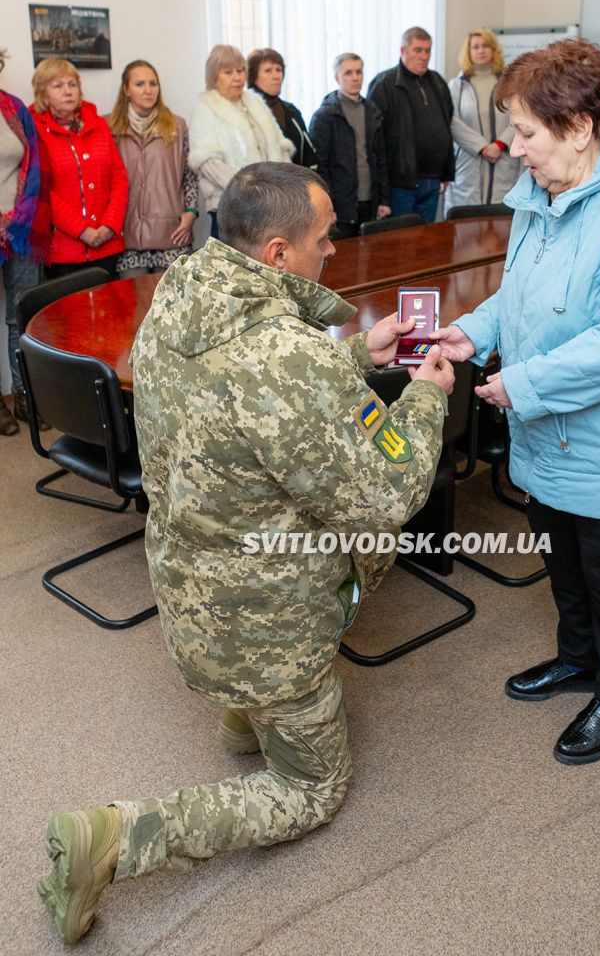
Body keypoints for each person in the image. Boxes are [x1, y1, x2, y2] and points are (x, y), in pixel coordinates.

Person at [36, 161, 454, 945]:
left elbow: (249, 395)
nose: (334, 250)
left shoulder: (179, 297)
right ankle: (116, 838)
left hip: (190, 591)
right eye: (324, 239)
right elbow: (382, 498)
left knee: (250, 542)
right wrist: (426, 395)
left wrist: (359, 353)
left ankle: (242, 721)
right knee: (313, 788)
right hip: (270, 618)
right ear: (276, 254)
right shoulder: (281, 356)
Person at [432, 39, 600, 765]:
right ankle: (577, 660)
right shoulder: (543, 197)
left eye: (527, 131)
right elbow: (520, 294)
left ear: (580, 128)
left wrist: (527, 383)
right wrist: (471, 330)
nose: (515, 148)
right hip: (555, 432)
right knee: (565, 559)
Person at [30, 59, 128, 280]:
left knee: (112, 312)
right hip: (63, 252)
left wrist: (110, 225)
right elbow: (42, 190)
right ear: (43, 95)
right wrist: (82, 231)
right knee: (68, 314)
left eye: (72, 84)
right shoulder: (35, 130)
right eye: (58, 86)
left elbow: (119, 177)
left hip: (107, 245)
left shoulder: (99, 124)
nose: (68, 91)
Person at [189, 44, 294, 238]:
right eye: (228, 72)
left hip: (270, 207)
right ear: (214, 76)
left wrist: (282, 187)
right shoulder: (205, 109)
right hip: (231, 208)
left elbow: (280, 146)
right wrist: (249, 190)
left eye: (240, 70)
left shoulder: (255, 102)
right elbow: (208, 163)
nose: (237, 77)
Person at [106, 60, 198, 277]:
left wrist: (191, 212)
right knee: (133, 307)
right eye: (140, 84)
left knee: (172, 307)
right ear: (126, 90)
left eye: (153, 83)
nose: (148, 90)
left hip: (172, 234)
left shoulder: (177, 126)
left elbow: (190, 175)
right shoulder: (109, 128)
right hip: (126, 237)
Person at [0, 49, 50, 435]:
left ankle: (24, 395)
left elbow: (34, 165)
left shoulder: (14, 109)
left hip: (20, 228)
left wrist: (15, 217)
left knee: (22, 315)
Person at [367, 26, 454, 224]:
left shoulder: (437, 82)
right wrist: (382, 189)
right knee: (401, 244)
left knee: (427, 242)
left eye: (428, 50)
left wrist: (445, 173)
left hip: (433, 180)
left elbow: (446, 124)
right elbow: (375, 139)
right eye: (418, 50)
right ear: (403, 51)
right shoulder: (384, 83)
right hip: (400, 184)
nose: (424, 56)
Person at [309, 52, 391, 237]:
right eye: (348, 73)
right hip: (341, 204)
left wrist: (384, 199)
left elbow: (380, 158)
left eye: (359, 72)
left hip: (370, 201)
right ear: (337, 77)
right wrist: (327, 205)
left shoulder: (372, 112)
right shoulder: (325, 116)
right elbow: (320, 166)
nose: (355, 78)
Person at [444, 28, 517, 215]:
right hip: (469, 162)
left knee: (500, 223)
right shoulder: (456, 85)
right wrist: (483, 147)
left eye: (485, 46)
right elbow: (452, 121)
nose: (481, 50)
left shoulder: (510, 83)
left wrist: (500, 144)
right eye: (475, 47)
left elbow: (519, 116)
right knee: (466, 228)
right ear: (468, 52)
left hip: (503, 161)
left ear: (494, 50)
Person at [247, 47, 316, 168]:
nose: (276, 76)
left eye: (279, 70)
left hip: (299, 183)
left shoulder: (292, 111)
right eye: (268, 71)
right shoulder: (247, 112)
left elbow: (309, 154)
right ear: (254, 76)